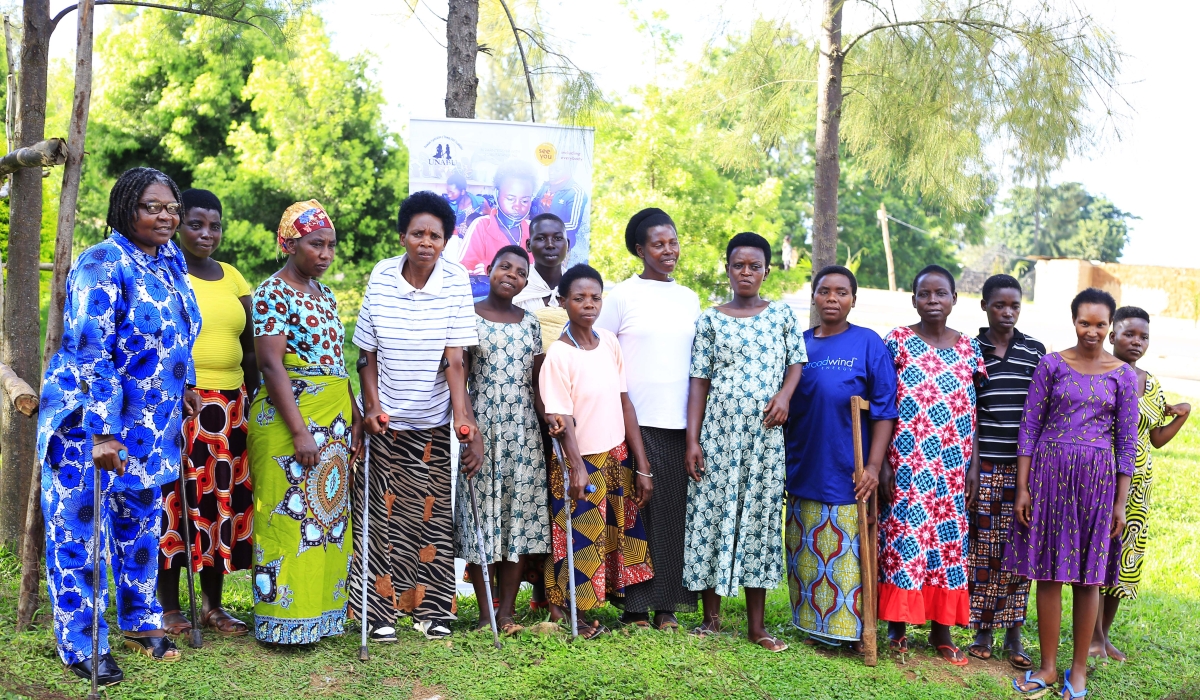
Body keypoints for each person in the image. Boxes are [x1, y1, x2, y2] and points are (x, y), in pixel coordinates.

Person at [39, 167, 201, 684]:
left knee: (140, 524)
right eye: (153, 207)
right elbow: (90, 352)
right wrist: (103, 431)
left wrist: (189, 384)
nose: (166, 216)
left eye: (171, 208)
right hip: (86, 423)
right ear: (125, 208)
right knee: (79, 532)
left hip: (150, 424)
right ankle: (82, 643)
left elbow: (181, 329)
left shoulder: (171, 259)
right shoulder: (101, 263)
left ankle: (138, 618)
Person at [352, 191, 481, 641]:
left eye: (436, 235)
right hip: (383, 419)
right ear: (403, 236)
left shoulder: (456, 280)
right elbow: (366, 354)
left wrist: (464, 419)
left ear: (446, 241)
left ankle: (432, 611)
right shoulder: (382, 275)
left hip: (430, 419)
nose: (427, 242)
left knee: (429, 518)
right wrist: (372, 409)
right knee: (382, 516)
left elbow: (456, 360)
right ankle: (378, 612)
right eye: (418, 233)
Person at [1006, 288, 1137, 698]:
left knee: (1088, 578)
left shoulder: (1123, 375)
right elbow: (1029, 427)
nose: (1092, 331)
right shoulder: (1051, 365)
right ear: (1073, 321)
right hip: (1048, 478)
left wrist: (1120, 503)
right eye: (1085, 323)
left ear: (1110, 326)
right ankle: (1047, 668)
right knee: (1047, 574)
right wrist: (1023, 488)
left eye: (1100, 324)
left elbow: (1126, 444)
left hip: (1097, 485)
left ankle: (1077, 671)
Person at [683, 232, 806, 653]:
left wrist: (784, 396)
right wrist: (692, 440)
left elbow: (795, 364)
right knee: (713, 516)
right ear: (728, 269)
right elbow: (698, 381)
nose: (747, 272)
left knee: (758, 520)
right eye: (739, 265)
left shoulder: (782, 315)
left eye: (755, 266)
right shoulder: (710, 318)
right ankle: (711, 620)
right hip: (718, 432)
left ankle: (757, 628)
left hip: (766, 435)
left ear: (767, 271)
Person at [248, 199, 363, 645]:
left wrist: (353, 411)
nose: (326, 254)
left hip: (332, 420)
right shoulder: (272, 293)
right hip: (289, 420)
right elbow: (271, 365)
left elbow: (337, 362)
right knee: (285, 517)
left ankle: (319, 614)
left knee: (325, 518)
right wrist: (299, 431)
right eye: (317, 244)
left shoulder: (326, 294)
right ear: (290, 243)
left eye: (331, 245)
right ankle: (282, 619)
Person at [595, 208, 700, 630]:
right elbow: (599, 353)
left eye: (673, 242)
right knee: (637, 514)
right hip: (632, 422)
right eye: (658, 244)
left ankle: (668, 606)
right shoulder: (621, 296)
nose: (668, 250)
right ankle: (636, 608)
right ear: (640, 250)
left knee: (674, 514)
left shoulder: (689, 298)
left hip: (681, 425)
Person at [158, 189, 256, 638]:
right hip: (181, 403)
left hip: (230, 408)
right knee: (177, 503)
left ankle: (214, 605)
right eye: (196, 223)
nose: (206, 233)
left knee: (219, 503)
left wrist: (251, 399)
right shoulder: (164, 272)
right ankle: (170, 607)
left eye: (214, 225)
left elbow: (251, 347)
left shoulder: (234, 277)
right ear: (179, 225)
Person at [784, 265, 897, 650]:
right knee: (806, 551)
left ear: (853, 299)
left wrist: (873, 466)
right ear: (813, 296)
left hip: (849, 468)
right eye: (824, 291)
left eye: (842, 292)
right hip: (805, 460)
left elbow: (884, 410)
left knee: (845, 551)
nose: (832, 299)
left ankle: (846, 631)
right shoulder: (800, 344)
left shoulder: (867, 343)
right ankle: (810, 625)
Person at [539, 264, 655, 638]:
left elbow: (625, 404)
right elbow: (560, 419)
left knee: (609, 538)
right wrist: (576, 468)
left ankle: (593, 610)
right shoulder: (559, 355)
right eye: (579, 298)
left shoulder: (608, 342)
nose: (588, 304)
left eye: (595, 298)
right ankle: (573, 615)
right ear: (563, 302)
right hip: (580, 462)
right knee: (579, 539)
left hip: (614, 455)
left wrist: (643, 464)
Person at [879, 264, 985, 666]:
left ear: (955, 300)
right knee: (905, 539)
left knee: (946, 543)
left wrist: (973, 464)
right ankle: (897, 627)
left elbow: (974, 409)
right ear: (914, 300)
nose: (933, 301)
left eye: (941, 294)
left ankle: (942, 630)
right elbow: (885, 403)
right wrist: (885, 462)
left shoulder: (969, 348)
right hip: (906, 461)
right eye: (925, 294)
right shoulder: (899, 342)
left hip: (953, 465)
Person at [454, 245, 549, 635]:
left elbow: (538, 383)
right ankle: (484, 613)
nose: (511, 274)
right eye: (504, 267)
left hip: (525, 435)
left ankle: (506, 612)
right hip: (482, 433)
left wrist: (550, 430)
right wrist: (469, 431)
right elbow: (458, 377)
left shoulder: (531, 323)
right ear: (488, 270)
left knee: (516, 522)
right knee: (483, 522)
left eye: (520, 271)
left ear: (527, 281)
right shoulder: (468, 318)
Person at [1092, 306, 1190, 661]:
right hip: (1103, 480)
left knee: (1124, 561)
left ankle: (1104, 637)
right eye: (1129, 334)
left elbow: (1156, 438)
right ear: (1112, 335)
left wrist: (1182, 415)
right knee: (1099, 557)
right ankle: (1091, 637)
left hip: (1138, 485)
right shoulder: (1099, 373)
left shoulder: (1150, 382)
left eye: (1143, 336)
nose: (1136, 341)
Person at [964, 274, 1045, 669]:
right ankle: (983, 628)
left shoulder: (1034, 352)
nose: (1007, 312)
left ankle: (1014, 631)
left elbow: (1041, 412)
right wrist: (974, 467)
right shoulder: (970, 349)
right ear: (984, 306)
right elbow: (970, 412)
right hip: (985, 463)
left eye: (1014, 305)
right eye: (999, 305)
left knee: (1019, 547)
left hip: (1025, 470)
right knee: (984, 549)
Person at [458, 159, 537, 276]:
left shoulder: (534, 230)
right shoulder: (481, 226)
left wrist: (497, 269)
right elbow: (463, 273)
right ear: (496, 194)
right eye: (510, 199)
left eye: (525, 200)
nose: (517, 206)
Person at [514, 213, 570, 349]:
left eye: (557, 238)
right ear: (528, 245)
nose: (550, 245)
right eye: (541, 238)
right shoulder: (516, 289)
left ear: (567, 244)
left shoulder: (578, 288)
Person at [530, 158, 588, 254]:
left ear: (567, 171)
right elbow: (534, 209)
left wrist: (545, 228)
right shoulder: (545, 186)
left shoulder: (576, 192)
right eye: (550, 169)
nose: (551, 173)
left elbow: (573, 225)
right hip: (538, 240)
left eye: (557, 170)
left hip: (560, 246)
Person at [444, 171, 484, 238]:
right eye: (447, 191)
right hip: (455, 242)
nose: (449, 195)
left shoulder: (480, 202)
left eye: (452, 192)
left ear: (462, 192)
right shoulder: (448, 206)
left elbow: (490, 222)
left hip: (474, 242)